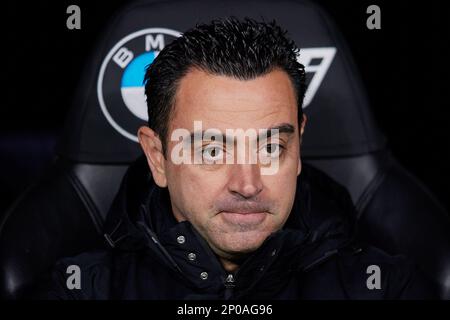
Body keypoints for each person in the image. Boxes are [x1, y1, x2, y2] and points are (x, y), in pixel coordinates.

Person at [37, 17, 435, 299]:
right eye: (212, 150)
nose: (247, 185)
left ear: (298, 147)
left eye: (270, 148)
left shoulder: (384, 288)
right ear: (157, 158)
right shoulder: (84, 290)